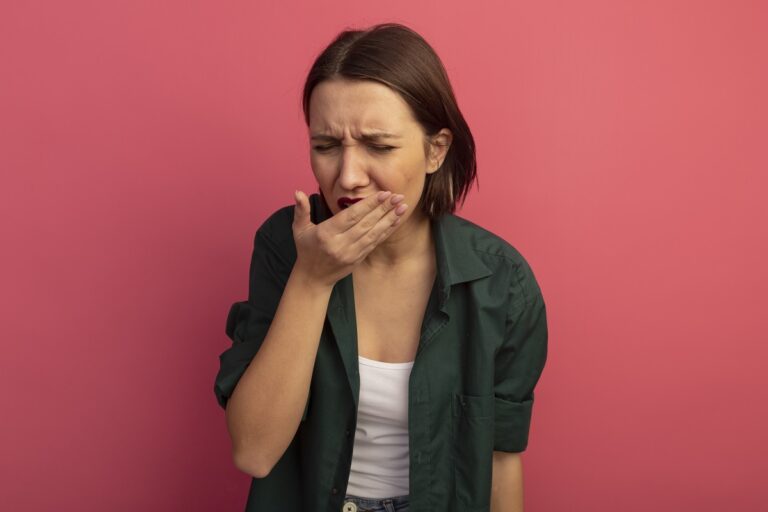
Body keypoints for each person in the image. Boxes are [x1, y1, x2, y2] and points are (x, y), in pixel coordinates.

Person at [214, 22, 548, 512]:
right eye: (326, 146)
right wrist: (311, 280)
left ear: (435, 150)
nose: (348, 177)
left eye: (379, 146)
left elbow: (499, 461)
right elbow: (254, 451)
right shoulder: (284, 248)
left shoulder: (501, 283)